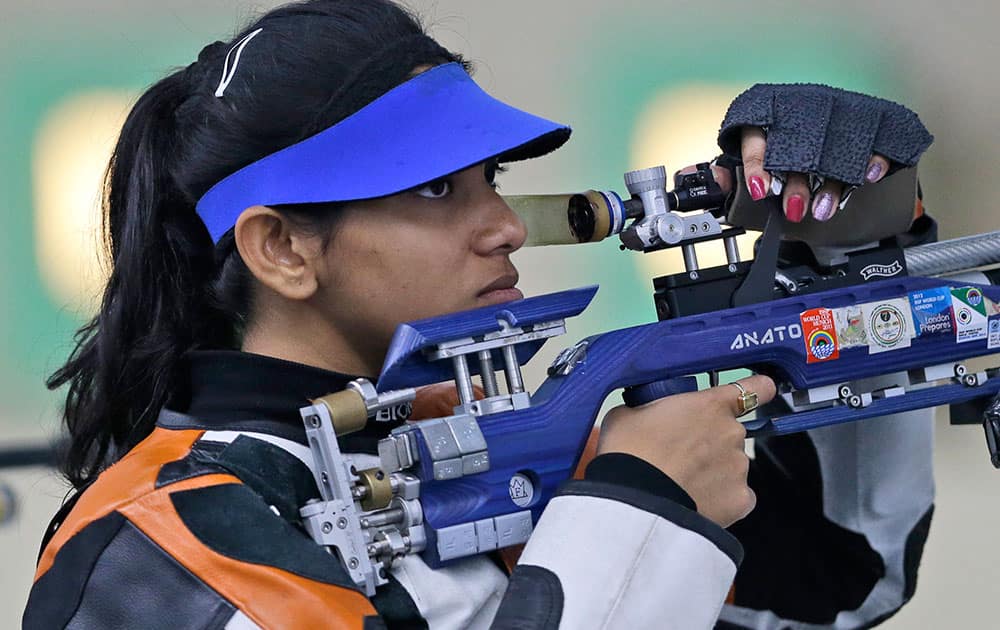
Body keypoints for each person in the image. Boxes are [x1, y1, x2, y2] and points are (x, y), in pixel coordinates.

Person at [22, 1, 935, 628]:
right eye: (434, 188)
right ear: (283, 250)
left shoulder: (490, 447)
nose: (503, 225)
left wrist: (843, 253)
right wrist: (638, 511)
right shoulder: (152, 543)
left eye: (490, 180)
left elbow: (842, 582)